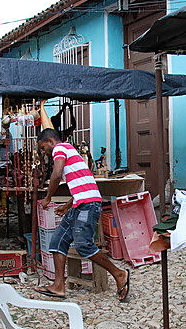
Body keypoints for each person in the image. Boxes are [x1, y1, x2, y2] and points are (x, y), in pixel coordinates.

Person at [36, 128, 131, 301]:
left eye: (43, 148)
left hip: (88, 205)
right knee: (57, 241)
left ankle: (119, 274)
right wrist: (67, 206)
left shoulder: (60, 149)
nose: (44, 152)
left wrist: (48, 197)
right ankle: (58, 286)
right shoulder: (71, 151)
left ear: (50, 142)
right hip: (81, 203)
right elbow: (83, 185)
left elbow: (56, 175)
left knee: (83, 245)